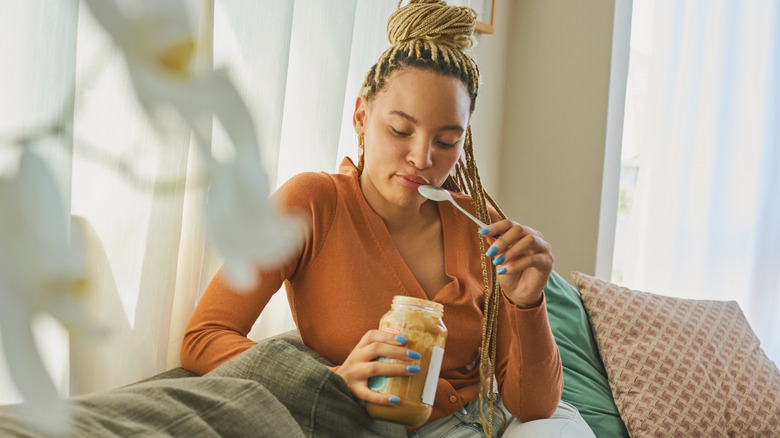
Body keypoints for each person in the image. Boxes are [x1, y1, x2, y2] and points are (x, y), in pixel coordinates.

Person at [181, 1, 595, 437]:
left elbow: (534, 407)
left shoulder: (480, 226)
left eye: (447, 140)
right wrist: (329, 380)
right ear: (361, 117)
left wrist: (528, 303)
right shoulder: (312, 204)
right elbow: (205, 336)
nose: (422, 158)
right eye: (400, 131)